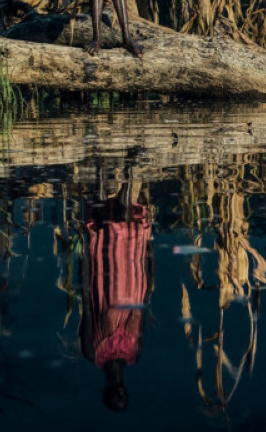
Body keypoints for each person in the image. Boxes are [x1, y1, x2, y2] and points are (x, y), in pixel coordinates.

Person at [78, 166, 153, 412]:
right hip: (133, 281)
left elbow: (87, 308)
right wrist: (149, 267)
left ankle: (99, 166)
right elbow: (143, 308)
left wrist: (84, 266)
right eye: (123, 394)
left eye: (115, 394)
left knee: (104, 233)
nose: (120, 390)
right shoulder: (136, 353)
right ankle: (130, 168)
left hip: (105, 283)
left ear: (107, 389)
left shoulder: (92, 353)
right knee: (131, 231)